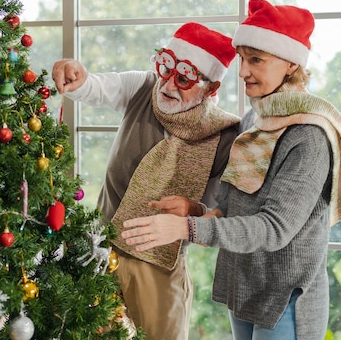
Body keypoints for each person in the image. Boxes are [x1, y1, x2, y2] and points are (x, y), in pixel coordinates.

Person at [120, 0, 341, 340]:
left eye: (256, 60)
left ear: (290, 64)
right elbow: (237, 208)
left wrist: (187, 228)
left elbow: (273, 228)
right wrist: (197, 211)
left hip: (285, 300)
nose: (242, 71)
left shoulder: (308, 136)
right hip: (244, 288)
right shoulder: (255, 121)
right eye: (241, 58)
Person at [51, 22, 240, 340]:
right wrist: (76, 75)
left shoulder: (225, 136)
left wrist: (194, 207)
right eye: (165, 67)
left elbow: (223, 211)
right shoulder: (142, 88)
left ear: (211, 89)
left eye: (184, 78)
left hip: (157, 266)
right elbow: (93, 87)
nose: (168, 84)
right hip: (98, 250)